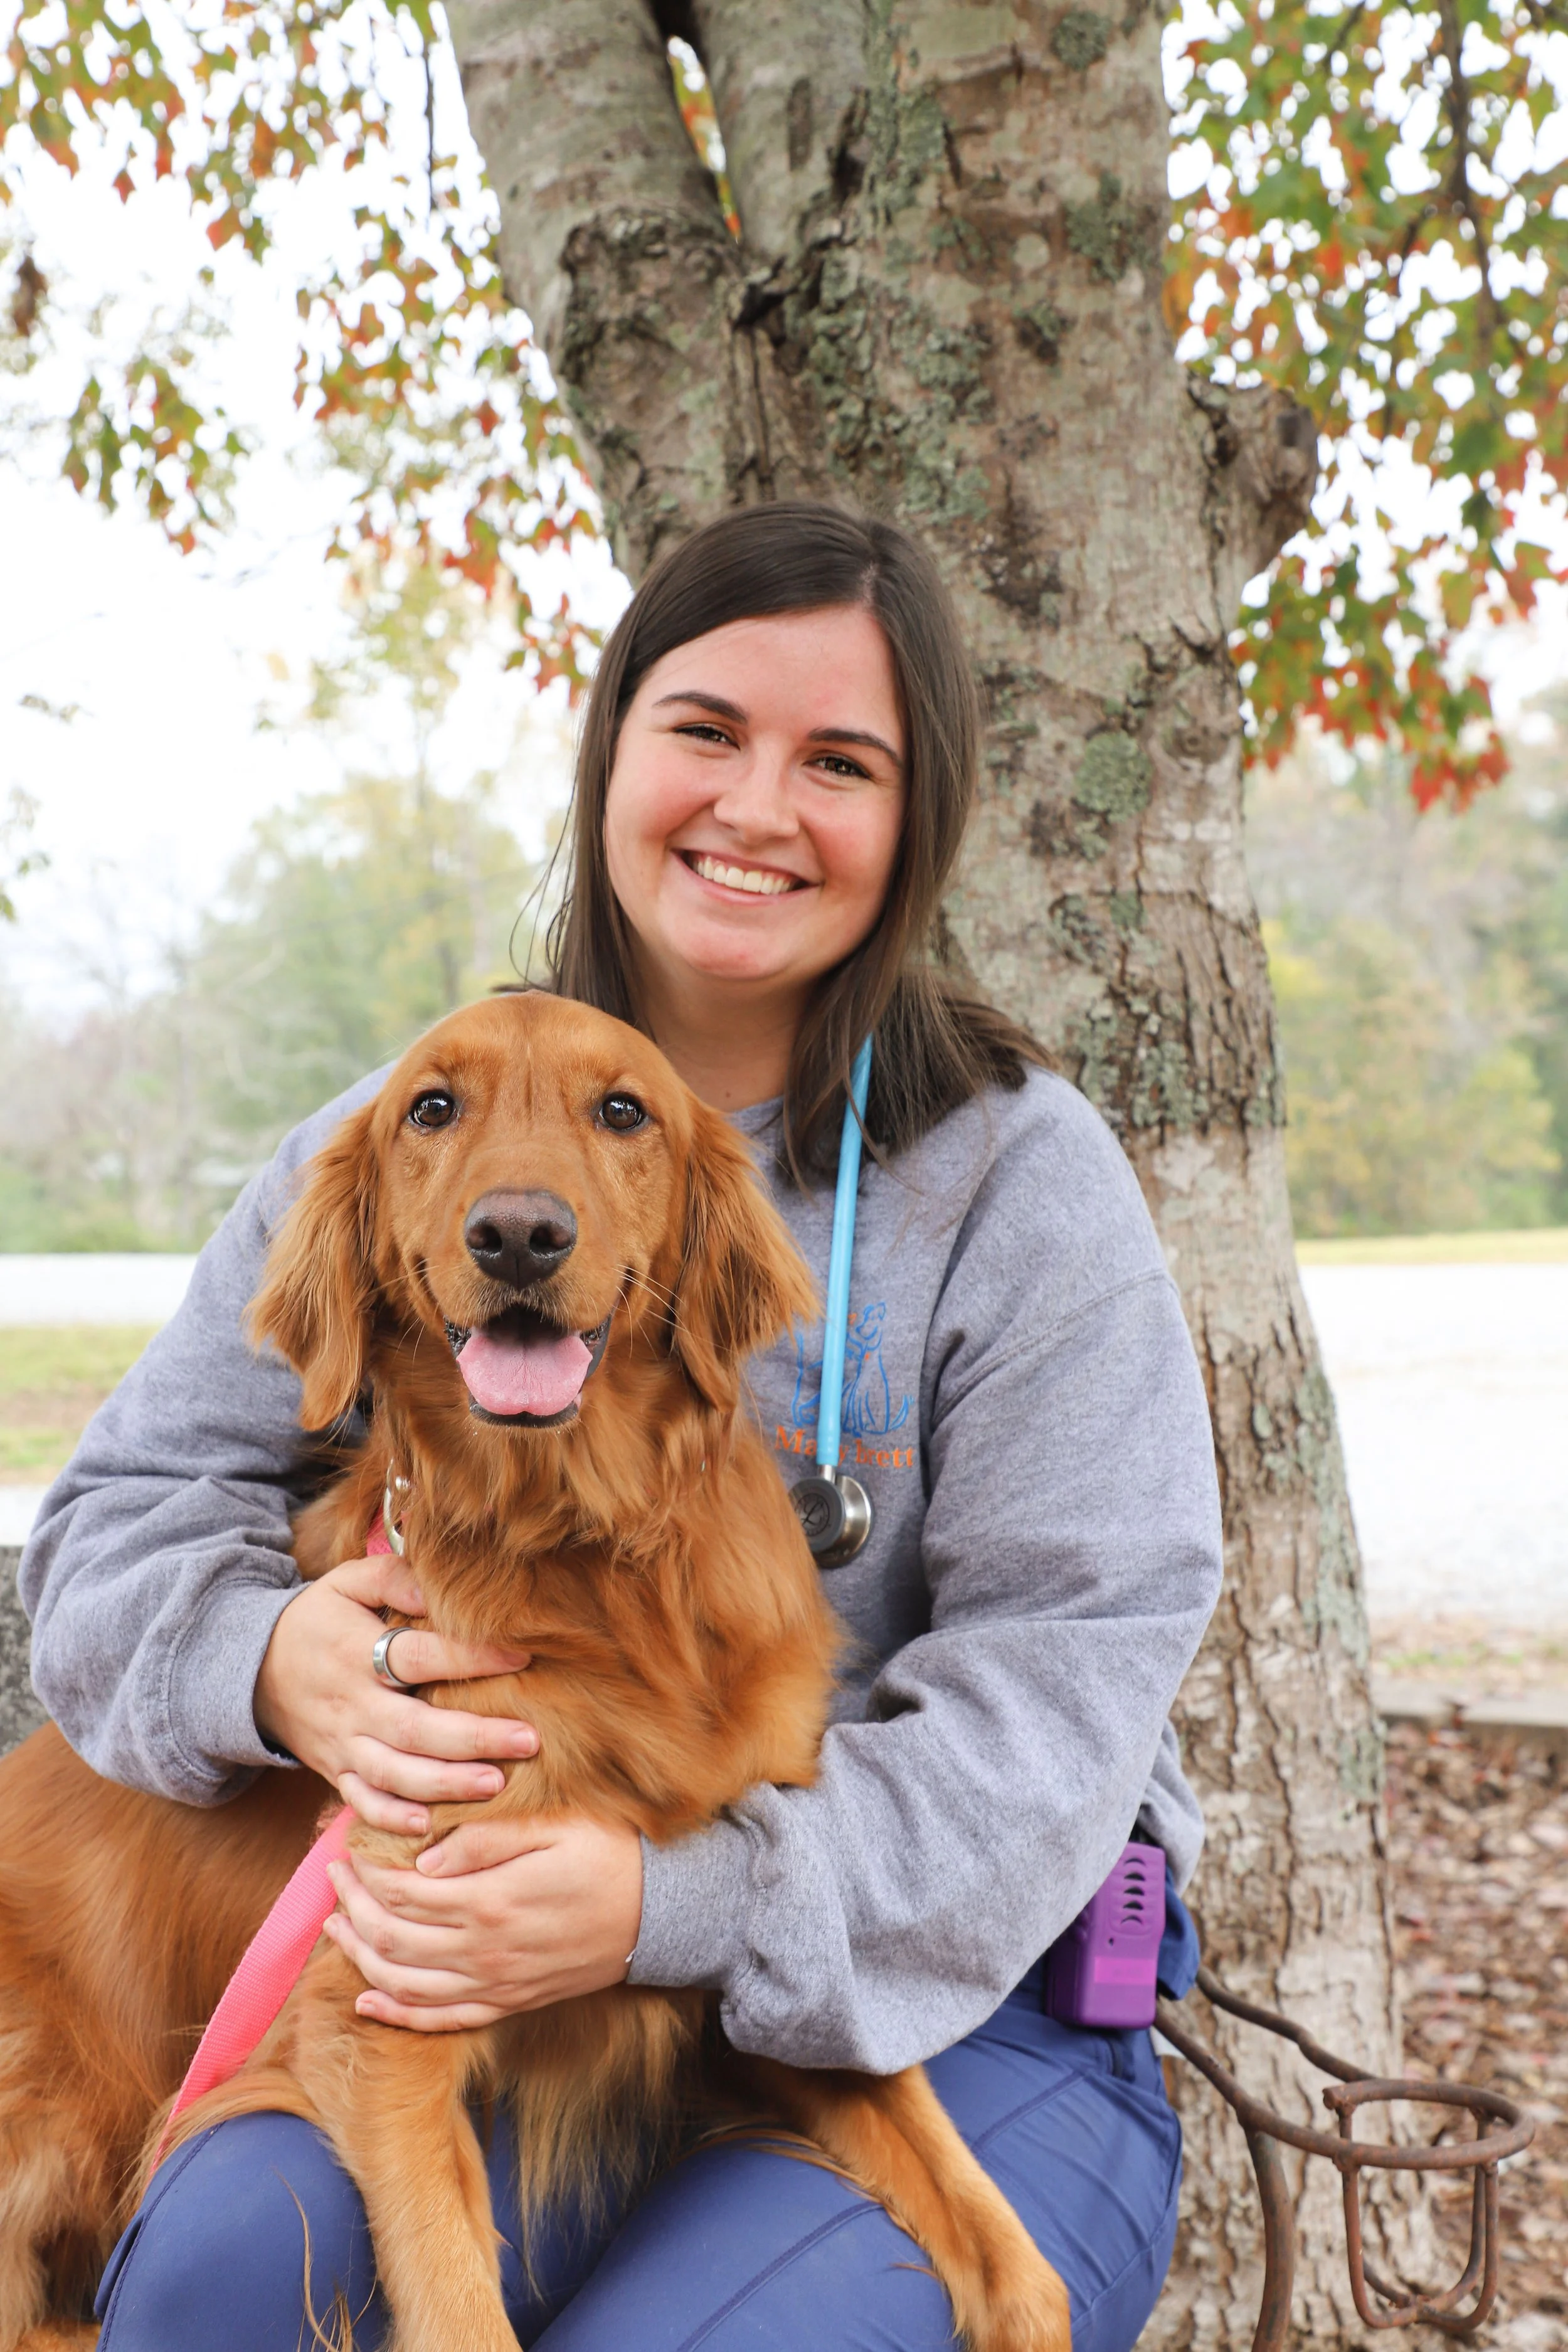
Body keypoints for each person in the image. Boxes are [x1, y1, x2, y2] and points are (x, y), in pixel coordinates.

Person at [21, 501, 1223, 2352]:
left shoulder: (1016, 1178)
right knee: (215, 2297)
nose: (756, 804)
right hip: (502, 1996)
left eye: (838, 761)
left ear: (910, 827)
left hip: (957, 1992)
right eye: (704, 729)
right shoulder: (401, 1124)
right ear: (612, 755)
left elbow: (1071, 1679)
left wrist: (682, 1899)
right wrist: (266, 1659)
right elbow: (113, 1527)